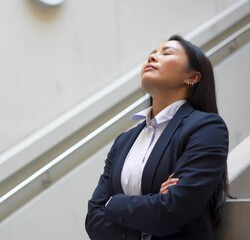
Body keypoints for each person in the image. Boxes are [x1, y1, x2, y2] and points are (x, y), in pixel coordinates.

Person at [85, 35, 229, 240]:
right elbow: (93, 219)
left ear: (193, 77)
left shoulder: (206, 128)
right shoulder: (124, 141)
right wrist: (152, 205)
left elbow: (174, 210)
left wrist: (114, 203)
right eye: (151, 54)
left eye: (166, 53)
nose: (152, 58)